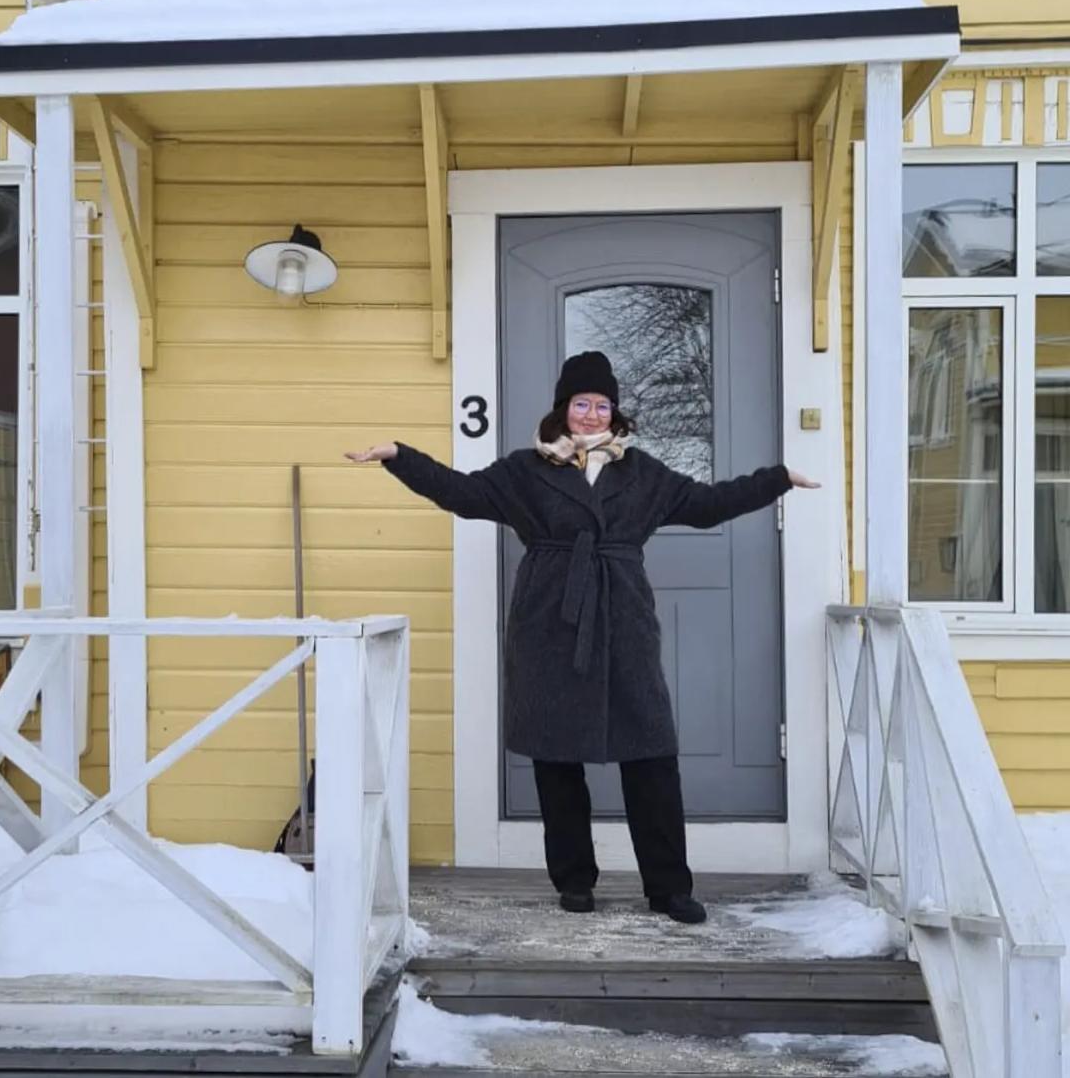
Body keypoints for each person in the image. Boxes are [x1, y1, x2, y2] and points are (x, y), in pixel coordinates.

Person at [347, 349, 819, 925]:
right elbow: (461, 494)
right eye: (581, 404)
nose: (592, 415)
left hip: (623, 619)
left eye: (602, 405)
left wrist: (776, 480)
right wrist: (400, 457)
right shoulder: (526, 470)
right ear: (562, 409)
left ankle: (669, 888)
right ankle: (574, 881)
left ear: (614, 413)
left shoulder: (642, 473)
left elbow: (706, 505)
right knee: (556, 755)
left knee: (650, 753)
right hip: (550, 620)